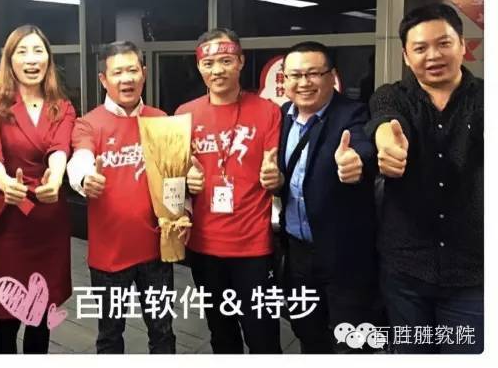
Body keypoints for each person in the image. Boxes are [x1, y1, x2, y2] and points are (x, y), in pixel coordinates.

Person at [365, 3, 483, 354]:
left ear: (463, 45)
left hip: (473, 274)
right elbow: (385, 120)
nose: (433, 55)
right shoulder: (393, 95)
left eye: (443, 43)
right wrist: (387, 145)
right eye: (420, 48)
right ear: (406, 55)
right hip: (405, 272)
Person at [67, 41, 178, 354]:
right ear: (104, 79)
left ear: (144, 73)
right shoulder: (89, 123)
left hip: (156, 251)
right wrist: (84, 179)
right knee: (110, 335)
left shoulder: (161, 120)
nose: (126, 78)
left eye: (132, 70)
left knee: (162, 331)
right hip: (110, 256)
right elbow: (81, 158)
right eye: (117, 72)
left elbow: (174, 176)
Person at [176, 28, 282, 353]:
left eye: (226, 60)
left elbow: (277, 171)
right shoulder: (183, 115)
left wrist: (276, 178)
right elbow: (170, 176)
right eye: (208, 63)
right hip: (204, 245)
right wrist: (185, 182)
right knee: (221, 334)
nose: (217, 70)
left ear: (241, 62)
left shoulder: (268, 111)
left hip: (254, 245)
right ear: (199, 67)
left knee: (263, 337)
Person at [0, 24, 76, 354]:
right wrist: (5, 183)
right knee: (7, 315)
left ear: (48, 57)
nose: (31, 59)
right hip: (11, 219)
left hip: (48, 218)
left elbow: (60, 148)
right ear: (9, 60)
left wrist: (55, 178)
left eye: (38, 51)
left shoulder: (62, 105)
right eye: (22, 52)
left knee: (41, 313)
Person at [276, 41, 383, 353]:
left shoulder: (353, 113)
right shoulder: (282, 117)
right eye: (295, 75)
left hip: (343, 255)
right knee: (308, 333)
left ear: (331, 76)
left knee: (351, 340)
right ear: (285, 79)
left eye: (313, 73)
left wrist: (356, 162)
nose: (304, 82)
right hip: (297, 253)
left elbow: (363, 146)